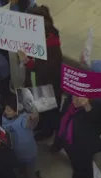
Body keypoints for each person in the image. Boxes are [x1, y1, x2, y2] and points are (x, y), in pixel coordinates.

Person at [20, 5, 63, 141]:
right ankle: (41, 125)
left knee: (49, 112)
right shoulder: (37, 37)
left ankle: (50, 132)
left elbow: (46, 69)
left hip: (47, 86)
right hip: (34, 82)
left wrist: (28, 61)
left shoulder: (52, 44)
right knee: (39, 108)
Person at [2, 96, 41, 178]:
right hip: (15, 154)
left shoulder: (23, 118)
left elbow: (32, 119)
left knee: (30, 175)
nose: (6, 112)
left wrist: (33, 116)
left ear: (17, 112)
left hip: (28, 154)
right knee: (18, 173)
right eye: (5, 109)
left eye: (9, 110)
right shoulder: (4, 117)